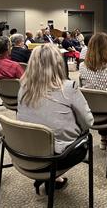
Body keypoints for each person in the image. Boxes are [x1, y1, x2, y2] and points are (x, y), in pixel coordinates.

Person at [17, 43, 94, 192]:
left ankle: (53, 177)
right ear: (59, 63)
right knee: (84, 138)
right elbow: (88, 122)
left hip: (26, 152)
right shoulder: (68, 88)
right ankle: (52, 176)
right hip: (58, 156)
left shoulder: (23, 87)